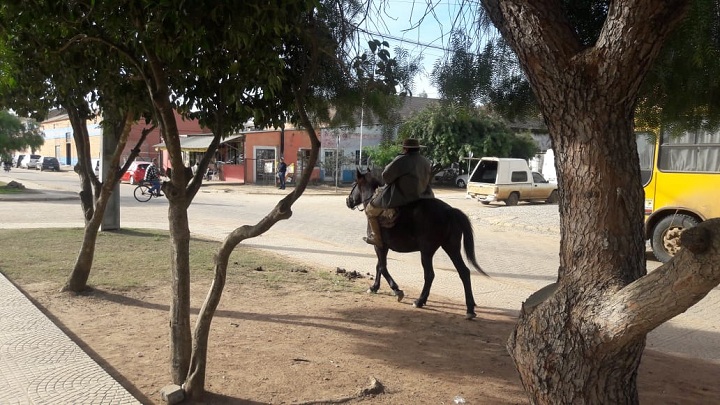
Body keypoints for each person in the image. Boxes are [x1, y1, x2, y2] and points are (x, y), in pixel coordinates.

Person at [363, 138, 434, 247]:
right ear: (418, 148)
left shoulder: (401, 159)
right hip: (424, 195)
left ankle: (377, 238)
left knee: (370, 210)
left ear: (405, 149)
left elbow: (386, 177)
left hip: (402, 196)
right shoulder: (426, 161)